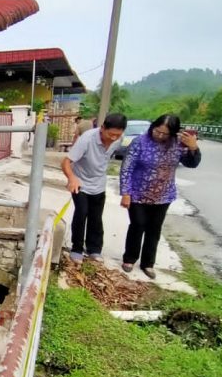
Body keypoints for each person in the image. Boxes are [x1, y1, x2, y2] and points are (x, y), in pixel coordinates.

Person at [119, 114, 201, 278]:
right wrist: (126, 192)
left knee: (154, 229)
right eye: (157, 131)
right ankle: (129, 258)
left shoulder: (179, 144)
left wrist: (193, 148)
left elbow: (192, 164)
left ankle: (148, 264)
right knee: (138, 224)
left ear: (173, 133)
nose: (160, 136)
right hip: (138, 193)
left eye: (165, 134)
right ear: (152, 127)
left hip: (163, 195)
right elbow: (127, 168)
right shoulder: (140, 142)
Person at [61, 113, 127, 262]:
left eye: (118, 135)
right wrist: (72, 178)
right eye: (111, 134)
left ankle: (94, 249)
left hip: (99, 184)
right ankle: (77, 248)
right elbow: (65, 162)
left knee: (96, 217)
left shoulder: (118, 139)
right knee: (81, 213)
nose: (114, 138)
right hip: (81, 183)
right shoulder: (87, 139)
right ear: (102, 128)